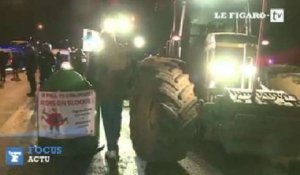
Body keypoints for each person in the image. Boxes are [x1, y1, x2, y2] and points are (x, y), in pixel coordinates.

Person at [93, 32, 130, 169]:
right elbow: (128, 69)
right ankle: (114, 143)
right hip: (118, 93)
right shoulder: (122, 50)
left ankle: (112, 149)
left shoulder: (102, 53)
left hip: (106, 93)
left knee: (108, 120)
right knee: (116, 118)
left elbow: (95, 73)